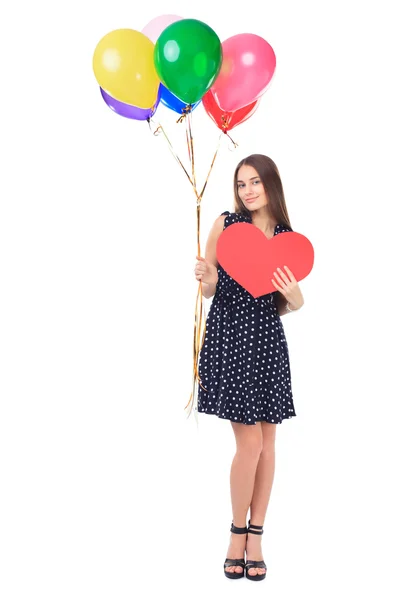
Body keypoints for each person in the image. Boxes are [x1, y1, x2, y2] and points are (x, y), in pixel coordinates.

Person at [193, 154, 304, 581]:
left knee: (269, 444)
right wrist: (206, 276)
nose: (247, 191)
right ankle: (236, 532)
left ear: (271, 184)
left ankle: (256, 535)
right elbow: (211, 289)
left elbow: (289, 304)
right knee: (251, 445)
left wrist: (295, 294)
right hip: (230, 339)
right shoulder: (226, 223)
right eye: (241, 184)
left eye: (255, 182)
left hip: (266, 342)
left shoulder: (287, 239)